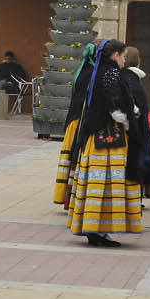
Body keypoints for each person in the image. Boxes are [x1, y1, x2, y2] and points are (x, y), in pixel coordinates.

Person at [66, 40, 143, 247]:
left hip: (94, 139)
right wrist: (129, 122)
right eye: (123, 56)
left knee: (94, 185)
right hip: (109, 142)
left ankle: (94, 228)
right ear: (115, 54)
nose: (124, 60)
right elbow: (114, 107)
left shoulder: (97, 72)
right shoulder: (111, 74)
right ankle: (98, 230)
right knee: (108, 184)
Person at [54, 41, 99, 207]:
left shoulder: (83, 69)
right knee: (77, 159)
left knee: (72, 160)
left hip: (75, 120)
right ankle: (74, 199)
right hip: (81, 121)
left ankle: (67, 198)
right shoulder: (92, 73)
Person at [123, 46, 150, 199]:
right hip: (134, 127)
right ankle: (136, 193)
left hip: (137, 124)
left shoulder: (131, 77)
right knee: (138, 158)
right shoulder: (130, 78)